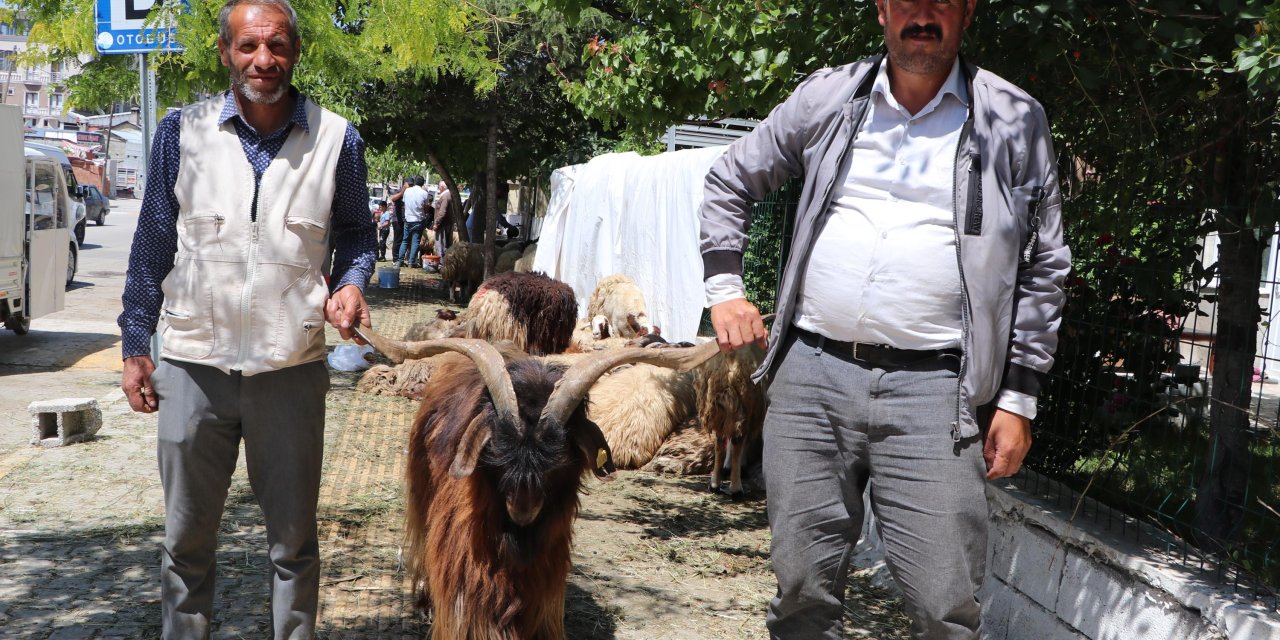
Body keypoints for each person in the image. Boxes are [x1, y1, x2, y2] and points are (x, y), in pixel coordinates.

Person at [699, 1, 1070, 638]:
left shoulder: (1011, 118)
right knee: (802, 599)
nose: (923, 16)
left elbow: (1046, 262)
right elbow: (730, 178)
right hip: (810, 379)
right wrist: (725, 287)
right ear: (881, 10)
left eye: (942, 2)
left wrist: (1019, 399)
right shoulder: (831, 97)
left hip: (937, 394)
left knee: (942, 609)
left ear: (967, 12)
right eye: (908, 1)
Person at [116, 0, 376, 636]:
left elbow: (359, 235)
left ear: (295, 51)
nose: (264, 60)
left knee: (293, 547)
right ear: (226, 53)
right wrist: (134, 345)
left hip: (290, 369)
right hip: (190, 365)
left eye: (278, 45)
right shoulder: (183, 132)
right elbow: (152, 242)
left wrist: (350, 283)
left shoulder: (336, 138)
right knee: (186, 545)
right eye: (250, 46)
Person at [396, 175, 430, 268]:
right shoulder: (424, 193)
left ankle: (400, 261)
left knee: (405, 240)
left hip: (408, 219)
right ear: (423, 183)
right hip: (419, 220)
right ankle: (411, 262)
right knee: (415, 241)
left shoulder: (407, 191)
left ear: (414, 182)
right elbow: (426, 208)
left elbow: (404, 203)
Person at [431, 180, 454, 256]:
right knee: (446, 244)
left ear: (441, 187)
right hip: (448, 223)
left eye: (439, 187)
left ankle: (441, 262)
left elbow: (442, 212)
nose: (439, 189)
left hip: (442, 225)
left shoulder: (445, 196)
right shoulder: (449, 195)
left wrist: (436, 223)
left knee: (440, 244)